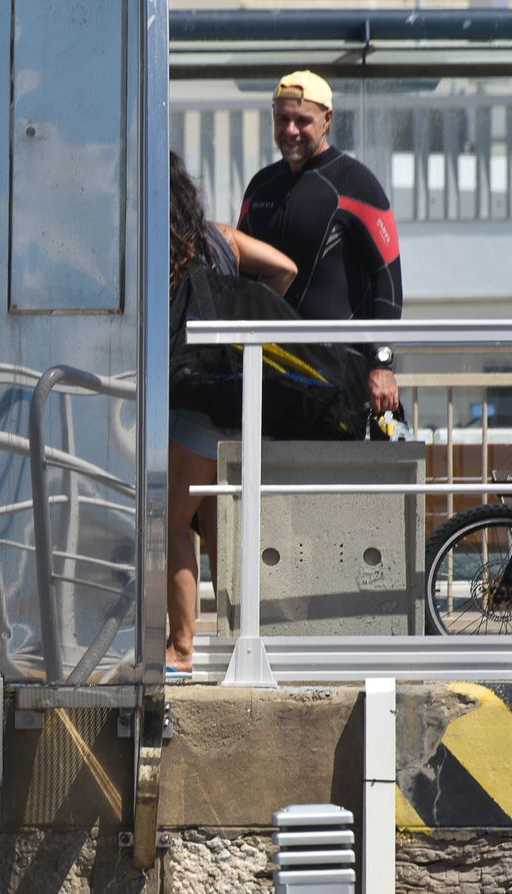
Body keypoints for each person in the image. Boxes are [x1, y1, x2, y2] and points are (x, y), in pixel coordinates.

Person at [166, 151, 298, 676]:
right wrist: (247, 319)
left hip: (193, 405)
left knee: (175, 525)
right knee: (218, 522)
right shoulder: (222, 237)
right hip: (237, 400)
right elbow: (286, 269)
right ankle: (233, 639)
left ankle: (181, 649)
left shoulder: (166, 253)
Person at [237, 70, 403, 417]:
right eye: (282, 119)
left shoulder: (356, 184)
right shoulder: (259, 188)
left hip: (340, 382)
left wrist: (383, 363)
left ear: (328, 120)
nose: (291, 130)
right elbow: (240, 283)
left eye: (302, 120)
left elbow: (387, 282)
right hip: (271, 378)